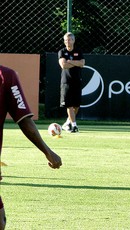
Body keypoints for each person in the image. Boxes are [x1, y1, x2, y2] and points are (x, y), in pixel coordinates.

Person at [0, 65, 62, 230]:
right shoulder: (6, 76)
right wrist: (48, 152)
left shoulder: (7, 77)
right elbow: (24, 121)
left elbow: (24, 120)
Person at [58, 32, 85, 133]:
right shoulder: (61, 52)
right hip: (66, 82)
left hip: (77, 81)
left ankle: (67, 122)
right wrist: (75, 63)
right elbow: (63, 65)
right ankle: (74, 125)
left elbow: (82, 64)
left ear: (73, 40)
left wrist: (70, 61)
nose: (67, 42)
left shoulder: (78, 51)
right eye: (65, 40)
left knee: (76, 105)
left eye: (69, 40)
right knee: (69, 104)